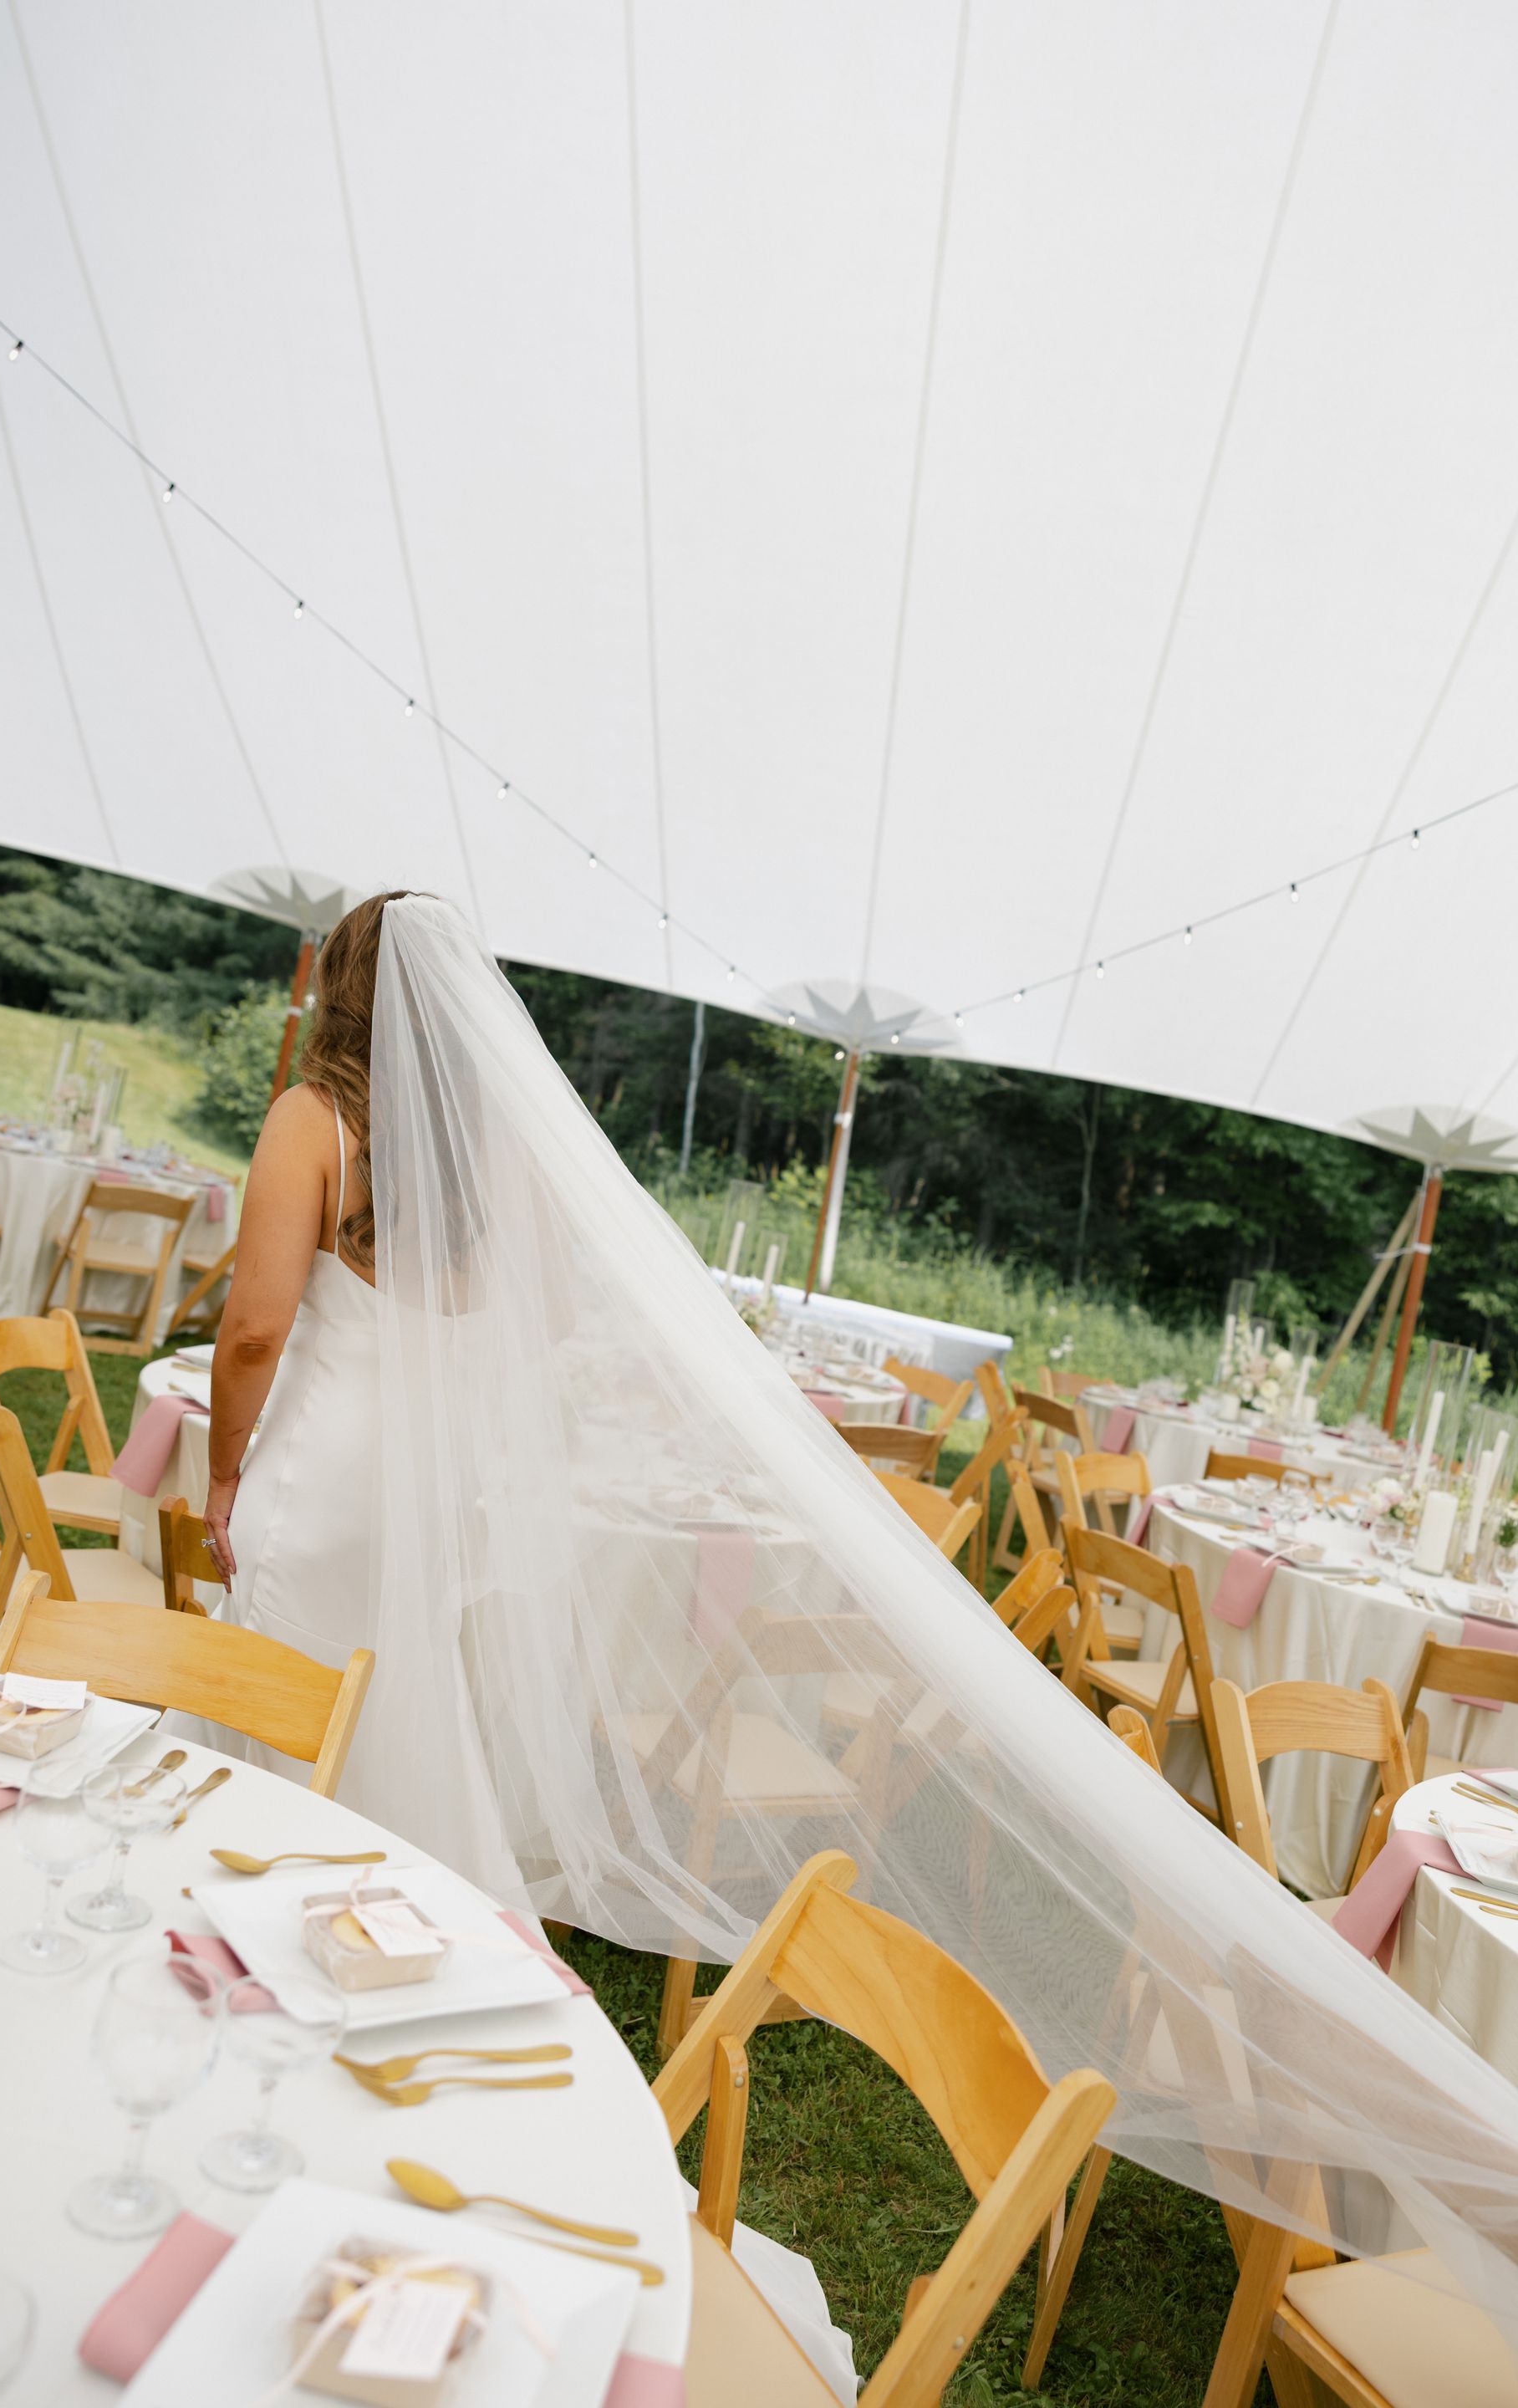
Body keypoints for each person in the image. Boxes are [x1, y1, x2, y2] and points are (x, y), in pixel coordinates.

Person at [196, 890, 1518, 2328]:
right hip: (418, 1493)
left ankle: (278, 1996)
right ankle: (407, 1999)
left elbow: (257, 1326)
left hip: (323, 1486)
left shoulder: (310, 1124)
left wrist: (225, 1473)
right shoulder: (483, 1163)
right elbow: (552, 1324)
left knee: (298, 1721)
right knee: (403, 1727)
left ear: (336, 990)